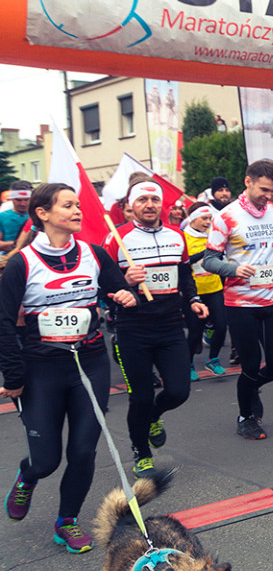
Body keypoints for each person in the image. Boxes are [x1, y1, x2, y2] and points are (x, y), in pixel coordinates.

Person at [1, 183, 140, 552]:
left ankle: (67, 522)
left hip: (89, 363)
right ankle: (28, 475)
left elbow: (119, 294)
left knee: (83, 450)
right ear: (42, 214)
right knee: (46, 460)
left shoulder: (93, 254)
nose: (78, 211)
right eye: (68, 206)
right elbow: (2, 321)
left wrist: (126, 295)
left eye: (78, 205)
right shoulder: (22, 263)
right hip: (41, 369)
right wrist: (13, 377)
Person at [105, 179, 208, 477]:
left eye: (154, 199)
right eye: (142, 200)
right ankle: (141, 451)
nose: (149, 204)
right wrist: (125, 283)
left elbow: (185, 274)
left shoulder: (177, 236)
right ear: (131, 206)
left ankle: (153, 417)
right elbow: (101, 284)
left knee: (178, 391)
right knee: (140, 396)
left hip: (170, 325)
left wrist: (193, 300)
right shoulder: (116, 238)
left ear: (161, 204)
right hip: (132, 328)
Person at [204, 159, 273, 439]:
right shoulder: (226, 216)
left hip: (270, 300)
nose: (268, 197)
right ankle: (246, 417)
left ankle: (252, 386)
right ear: (248, 182)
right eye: (264, 190)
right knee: (251, 364)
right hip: (240, 303)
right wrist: (234, 269)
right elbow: (209, 261)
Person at [181, 203, 228, 380]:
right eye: (204, 218)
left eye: (210, 218)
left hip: (214, 288)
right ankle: (188, 364)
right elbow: (185, 261)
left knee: (222, 326)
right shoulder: (184, 238)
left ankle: (213, 360)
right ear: (193, 219)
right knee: (195, 331)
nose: (208, 222)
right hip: (194, 293)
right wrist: (205, 253)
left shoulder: (212, 236)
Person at [0, 180, 31, 252]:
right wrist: (20, 243)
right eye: (18, 200)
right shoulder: (2, 217)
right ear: (11, 199)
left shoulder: (38, 216)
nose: (23, 204)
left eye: (26, 200)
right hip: (8, 257)